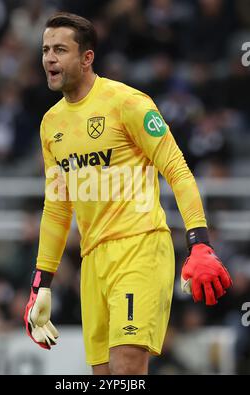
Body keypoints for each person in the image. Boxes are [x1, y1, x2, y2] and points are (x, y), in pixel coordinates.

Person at [24, 12, 232, 375]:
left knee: (127, 369)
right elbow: (57, 208)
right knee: (103, 377)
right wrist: (41, 283)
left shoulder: (128, 103)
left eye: (60, 49)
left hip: (139, 247)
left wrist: (199, 241)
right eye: (45, 50)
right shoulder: (51, 124)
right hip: (93, 261)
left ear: (87, 58)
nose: (49, 59)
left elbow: (177, 169)